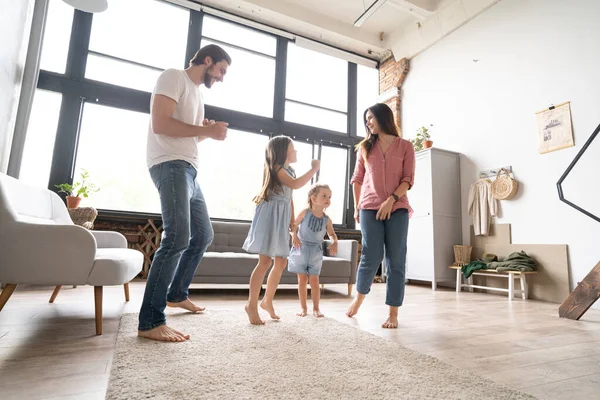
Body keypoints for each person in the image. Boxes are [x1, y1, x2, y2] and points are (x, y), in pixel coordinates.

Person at [138, 44, 232, 342]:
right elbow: (160, 123)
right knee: (177, 237)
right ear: (207, 60)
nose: (221, 77)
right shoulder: (173, 77)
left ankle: (176, 294)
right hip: (170, 166)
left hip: (189, 169)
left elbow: (183, 134)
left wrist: (203, 131)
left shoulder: (197, 96)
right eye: (221, 70)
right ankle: (150, 321)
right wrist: (207, 131)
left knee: (202, 235)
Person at [346, 103, 415, 329]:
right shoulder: (365, 147)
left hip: (397, 207)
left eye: (370, 118)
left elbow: (407, 179)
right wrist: (357, 207)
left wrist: (391, 199)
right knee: (371, 254)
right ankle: (359, 297)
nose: (368, 122)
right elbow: (357, 179)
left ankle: (393, 313)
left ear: (383, 117)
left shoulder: (405, 146)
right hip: (369, 207)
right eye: (366, 119)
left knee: (396, 259)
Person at [243, 136, 320, 325]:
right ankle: (251, 305)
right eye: (293, 148)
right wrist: (314, 169)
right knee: (265, 261)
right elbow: (294, 184)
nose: (296, 152)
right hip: (270, 215)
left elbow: (289, 197)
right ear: (282, 151)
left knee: (281, 261)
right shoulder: (277, 169)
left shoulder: (290, 170)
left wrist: (293, 222)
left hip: (281, 214)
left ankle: (267, 300)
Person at [288, 183, 338, 318]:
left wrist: (335, 242)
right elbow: (293, 226)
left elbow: (332, 234)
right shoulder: (305, 213)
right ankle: (303, 308)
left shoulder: (327, 220)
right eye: (324, 196)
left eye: (330, 197)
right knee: (302, 280)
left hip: (316, 250)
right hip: (301, 248)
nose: (328, 199)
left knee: (315, 280)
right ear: (313, 199)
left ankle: (316, 308)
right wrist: (294, 236)